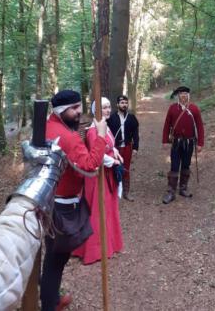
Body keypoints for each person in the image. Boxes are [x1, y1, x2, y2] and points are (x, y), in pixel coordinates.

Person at [40, 89, 106, 311]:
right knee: (56, 259)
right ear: (60, 111)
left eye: (80, 106)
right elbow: (90, 165)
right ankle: (50, 303)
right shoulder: (67, 137)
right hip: (61, 205)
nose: (80, 112)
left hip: (46, 200)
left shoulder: (47, 126)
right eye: (74, 109)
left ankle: (50, 295)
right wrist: (101, 136)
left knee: (53, 257)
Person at [72, 97, 124, 264]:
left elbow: (108, 145)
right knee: (98, 211)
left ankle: (109, 244)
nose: (108, 110)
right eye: (104, 108)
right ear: (97, 111)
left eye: (109, 107)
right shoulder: (94, 131)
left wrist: (116, 151)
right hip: (98, 178)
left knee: (107, 210)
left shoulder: (104, 127)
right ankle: (94, 250)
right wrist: (113, 162)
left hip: (107, 175)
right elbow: (98, 155)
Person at [162, 86, 205, 204]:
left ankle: (183, 188)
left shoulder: (194, 109)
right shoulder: (172, 108)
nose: (184, 96)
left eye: (186, 93)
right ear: (178, 96)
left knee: (186, 165)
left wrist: (200, 143)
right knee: (174, 166)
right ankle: (171, 191)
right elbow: (166, 125)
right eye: (181, 94)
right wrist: (165, 140)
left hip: (189, 143)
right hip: (176, 143)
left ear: (188, 95)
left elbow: (200, 126)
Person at [107, 95, 140, 201]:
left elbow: (135, 134)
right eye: (122, 103)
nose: (124, 105)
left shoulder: (131, 118)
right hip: (114, 148)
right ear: (117, 104)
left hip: (127, 147)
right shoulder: (111, 118)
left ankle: (126, 192)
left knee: (126, 169)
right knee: (113, 168)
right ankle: (113, 191)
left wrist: (135, 147)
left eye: (126, 103)